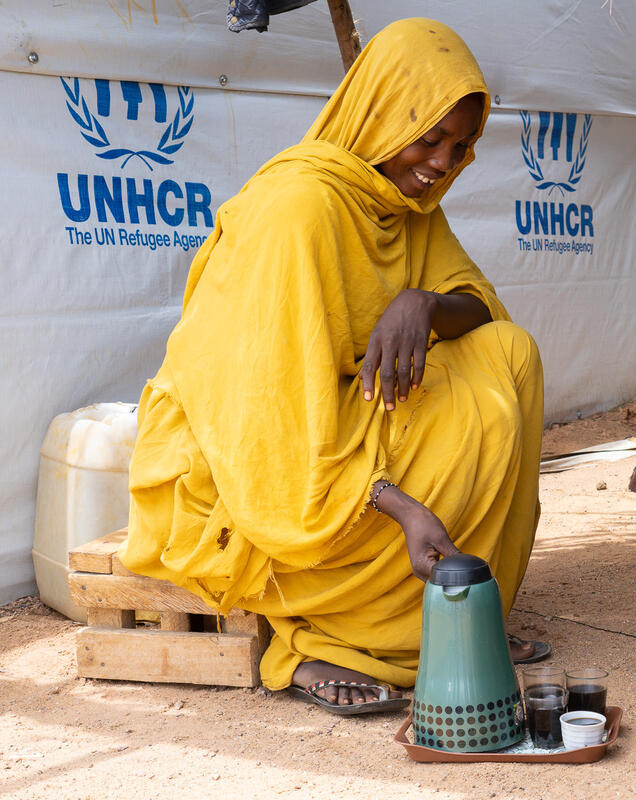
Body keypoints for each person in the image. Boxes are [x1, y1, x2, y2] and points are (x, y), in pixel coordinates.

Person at [120, 18, 545, 714]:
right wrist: (400, 506)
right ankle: (320, 644)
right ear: (380, 114)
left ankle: (460, 616)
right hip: (247, 453)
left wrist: (423, 305)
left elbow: (481, 309)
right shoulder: (295, 212)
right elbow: (267, 425)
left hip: (336, 418)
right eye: (429, 137)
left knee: (510, 358)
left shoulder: (403, 205)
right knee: (452, 437)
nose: (441, 162)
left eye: (460, 146)